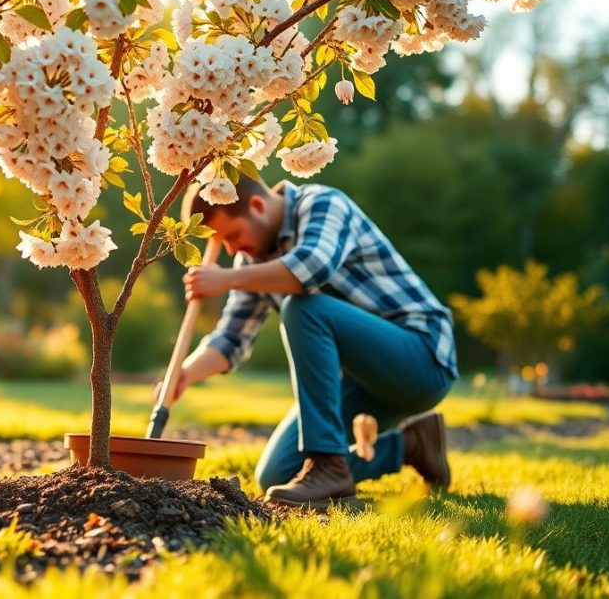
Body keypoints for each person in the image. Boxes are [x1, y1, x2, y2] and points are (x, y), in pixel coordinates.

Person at [157, 175, 456, 509]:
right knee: (278, 474)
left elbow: (309, 269)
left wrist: (225, 279)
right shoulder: (251, 262)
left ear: (257, 206)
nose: (231, 250)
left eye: (233, 236)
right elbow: (231, 339)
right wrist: (182, 375)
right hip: (362, 381)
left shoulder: (322, 204)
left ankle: (329, 465)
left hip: (422, 358)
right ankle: (412, 445)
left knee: (303, 307)